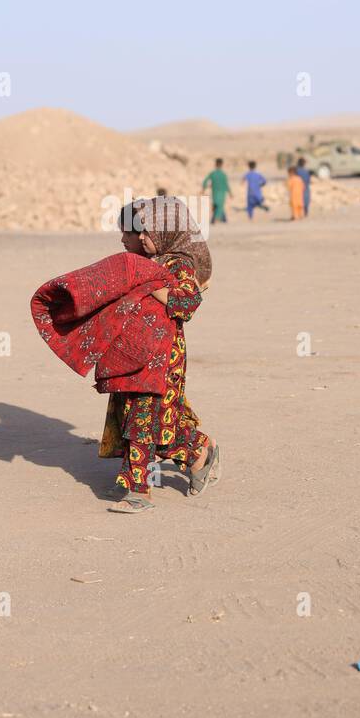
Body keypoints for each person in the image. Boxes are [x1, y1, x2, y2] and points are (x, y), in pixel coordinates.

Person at [100, 197, 220, 513]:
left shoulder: (179, 264)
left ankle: (138, 490)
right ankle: (197, 451)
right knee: (144, 421)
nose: (140, 237)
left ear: (166, 231)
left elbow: (186, 304)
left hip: (162, 357)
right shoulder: (149, 261)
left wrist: (146, 285)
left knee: (143, 421)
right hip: (134, 354)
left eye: (147, 232)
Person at [202, 157, 231, 223]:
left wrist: (204, 188)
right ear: (222, 164)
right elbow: (226, 185)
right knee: (220, 206)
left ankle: (223, 219)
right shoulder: (223, 174)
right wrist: (230, 193)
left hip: (215, 193)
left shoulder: (212, 173)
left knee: (216, 205)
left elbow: (205, 181)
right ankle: (217, 219)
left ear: (215, 164)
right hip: (222, 193)